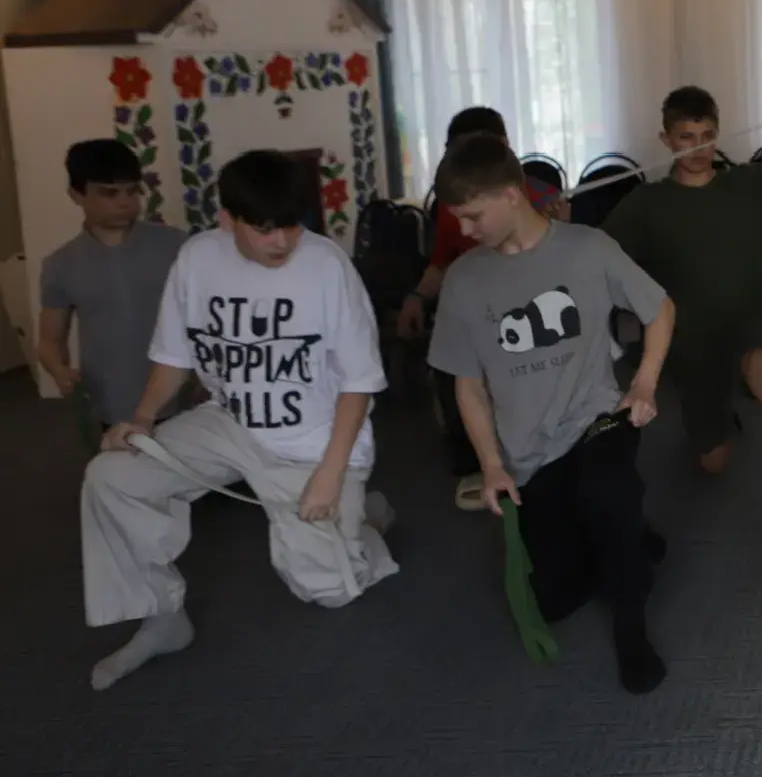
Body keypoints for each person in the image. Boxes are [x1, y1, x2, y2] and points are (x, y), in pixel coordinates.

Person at [80, 150, 398, 691]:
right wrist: (141, 419)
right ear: (228, 220)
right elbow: (175, 355)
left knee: (328, 590)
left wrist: (330, 473)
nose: (282, 241)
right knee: (112, 476)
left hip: (312, 443)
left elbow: (359, 382)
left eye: (292, 225)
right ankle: (162, 617)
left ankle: (364, 518)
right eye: (265, 228)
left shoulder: (326, 267)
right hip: (228, 425)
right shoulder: (197, 258)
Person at [426, 133, 678, 693]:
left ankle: (632, 630)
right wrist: (491, 465)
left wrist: (643, 384)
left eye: (472, 216)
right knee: (558, 598)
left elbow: (660, 309)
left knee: (606, 494)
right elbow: (467, 385)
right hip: (529, 452)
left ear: (511, 194)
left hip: (597, 419)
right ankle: (631, 534)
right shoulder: (464, 280)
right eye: (457, 218)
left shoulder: (588, 248)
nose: (464, 230)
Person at [601, 86, 762, 547]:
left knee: (761, 363)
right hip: (692, 338)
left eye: (707, 135)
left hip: (750, 318)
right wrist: (553, 220)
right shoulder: (647, 203)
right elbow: (596, 252)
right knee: (713, 461)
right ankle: (722, 410)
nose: (698, 147)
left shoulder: (748, 182)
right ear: (666, 139)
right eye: (686, 137)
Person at [396, 106, 566, 511]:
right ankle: (476, 462)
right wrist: (416, 297)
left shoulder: (541, 196)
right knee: (451, 369)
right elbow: (441, 262)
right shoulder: (451, 206)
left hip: (530, 313)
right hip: (477, 312)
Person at [38, 139, 187, 429]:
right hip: (109, 402)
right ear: (76, 195)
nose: (124, 202)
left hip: (180, 397)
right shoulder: (60, 264)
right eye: (109, 193)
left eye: (132, 191)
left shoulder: (177, 246)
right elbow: (49, 341)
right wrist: (59, 371)